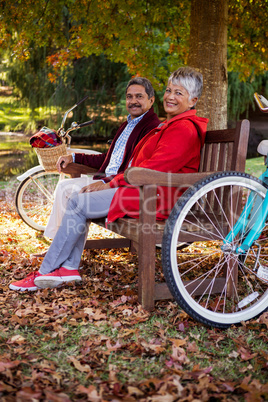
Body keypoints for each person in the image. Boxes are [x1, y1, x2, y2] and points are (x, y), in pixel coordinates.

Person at [9, 66, 209, 292]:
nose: (170, 96)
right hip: (146, 191)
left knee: (77, 202)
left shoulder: (183, 129)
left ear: (193, 100)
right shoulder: (170, 125)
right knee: (79, 200)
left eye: (179, 93)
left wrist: (110, 182)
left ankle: (46, 272)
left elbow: (153, 169)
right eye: (169, 90)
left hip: (157, 199)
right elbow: (143, 167)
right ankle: (67, 268)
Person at [44, 77, 160, 239]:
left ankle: (61, 244)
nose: (133, 101)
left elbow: (135, 168)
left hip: (121, 186)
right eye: (129, 97)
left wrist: (106, 182)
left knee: (71, 193)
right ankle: (56, 241)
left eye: (139, 96)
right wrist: (75, 157)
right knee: (64, 186)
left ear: (151, 100)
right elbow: (109, 159)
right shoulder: (128, 124)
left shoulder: (150, 128)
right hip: (106, 180)